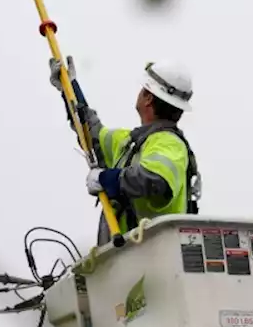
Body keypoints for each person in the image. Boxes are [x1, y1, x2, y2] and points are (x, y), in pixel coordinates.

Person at [49, 57, 201, 245]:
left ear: (148, 98)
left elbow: (155, 181)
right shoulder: (133, 144)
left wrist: (105, 179)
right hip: (127, 257)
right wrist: (69, 88)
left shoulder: (169, 143)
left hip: (148, 257)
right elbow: (90, 132)